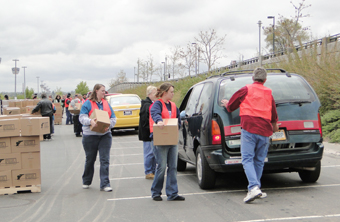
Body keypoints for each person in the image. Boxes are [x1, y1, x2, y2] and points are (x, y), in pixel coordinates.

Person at [221, 67, 279, 203]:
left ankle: (253, 187)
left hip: (249, 128)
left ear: (253, 78)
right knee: (259, 161)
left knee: (247, 159)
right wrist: (274, 123)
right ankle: (255, 188)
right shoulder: (268, 92)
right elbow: (273, 111)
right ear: (265, 80)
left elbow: (233, 104)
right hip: (265, 130)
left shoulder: (246, 89)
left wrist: (227, 105)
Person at [150, 82, 185, 201]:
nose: (173, 94)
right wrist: (159, 121)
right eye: (171, 92)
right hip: (161, 139)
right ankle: (156, 192)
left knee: (173, 167)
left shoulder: (174, 105)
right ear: (164, 93)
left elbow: (178, 118)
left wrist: (179, 125)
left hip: (172, 138)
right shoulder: (157, 104)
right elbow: (155, 114)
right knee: (161, 167)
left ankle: (172, 193)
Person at [79, 84, 116, 192]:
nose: (104, 93)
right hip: (90, 136)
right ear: (96, 91)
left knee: (105, 159)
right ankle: (86, 180)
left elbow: (113, 118)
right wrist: (90, 121)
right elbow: (82, 117)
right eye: (103, 91)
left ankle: (105, 184)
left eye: (105, 91)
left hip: (105, 135)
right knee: (90, 159)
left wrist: (108, 125)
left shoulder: (106, 104)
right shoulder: (88, 104)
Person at [138, 86, 157, 179]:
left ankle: (153, 170)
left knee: (153, 153)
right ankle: (149, 171)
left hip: (152, 132)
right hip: (147, 133)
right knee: (149, 153)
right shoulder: (147, 105)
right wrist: (150, 131)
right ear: (149, 94)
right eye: (154, 93)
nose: (156, 95)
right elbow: (145, 121)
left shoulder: (152, 104)